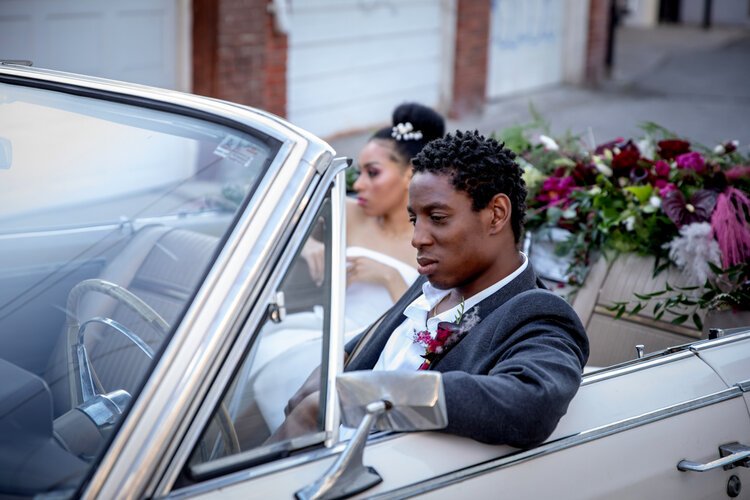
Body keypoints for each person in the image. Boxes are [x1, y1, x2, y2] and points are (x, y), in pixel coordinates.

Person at [279, 130, 589, 448]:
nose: (418, 237)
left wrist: (351, 397)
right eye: (415, 219)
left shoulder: (539, 315)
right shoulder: (434, 281)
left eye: (438, 218)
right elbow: (371, 342)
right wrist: (329, 371)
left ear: (496, 214)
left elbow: (529, 404)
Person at [304, 102, 445, 331]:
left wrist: (390, 277)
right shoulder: (349, 211)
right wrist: (307, 243)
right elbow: (276, 217)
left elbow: (436, 331)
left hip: (383, 350)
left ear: (409, 175)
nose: (358, 185)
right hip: (325, 333)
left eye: (373, 173)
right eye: (360, 173)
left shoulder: (435, 242)